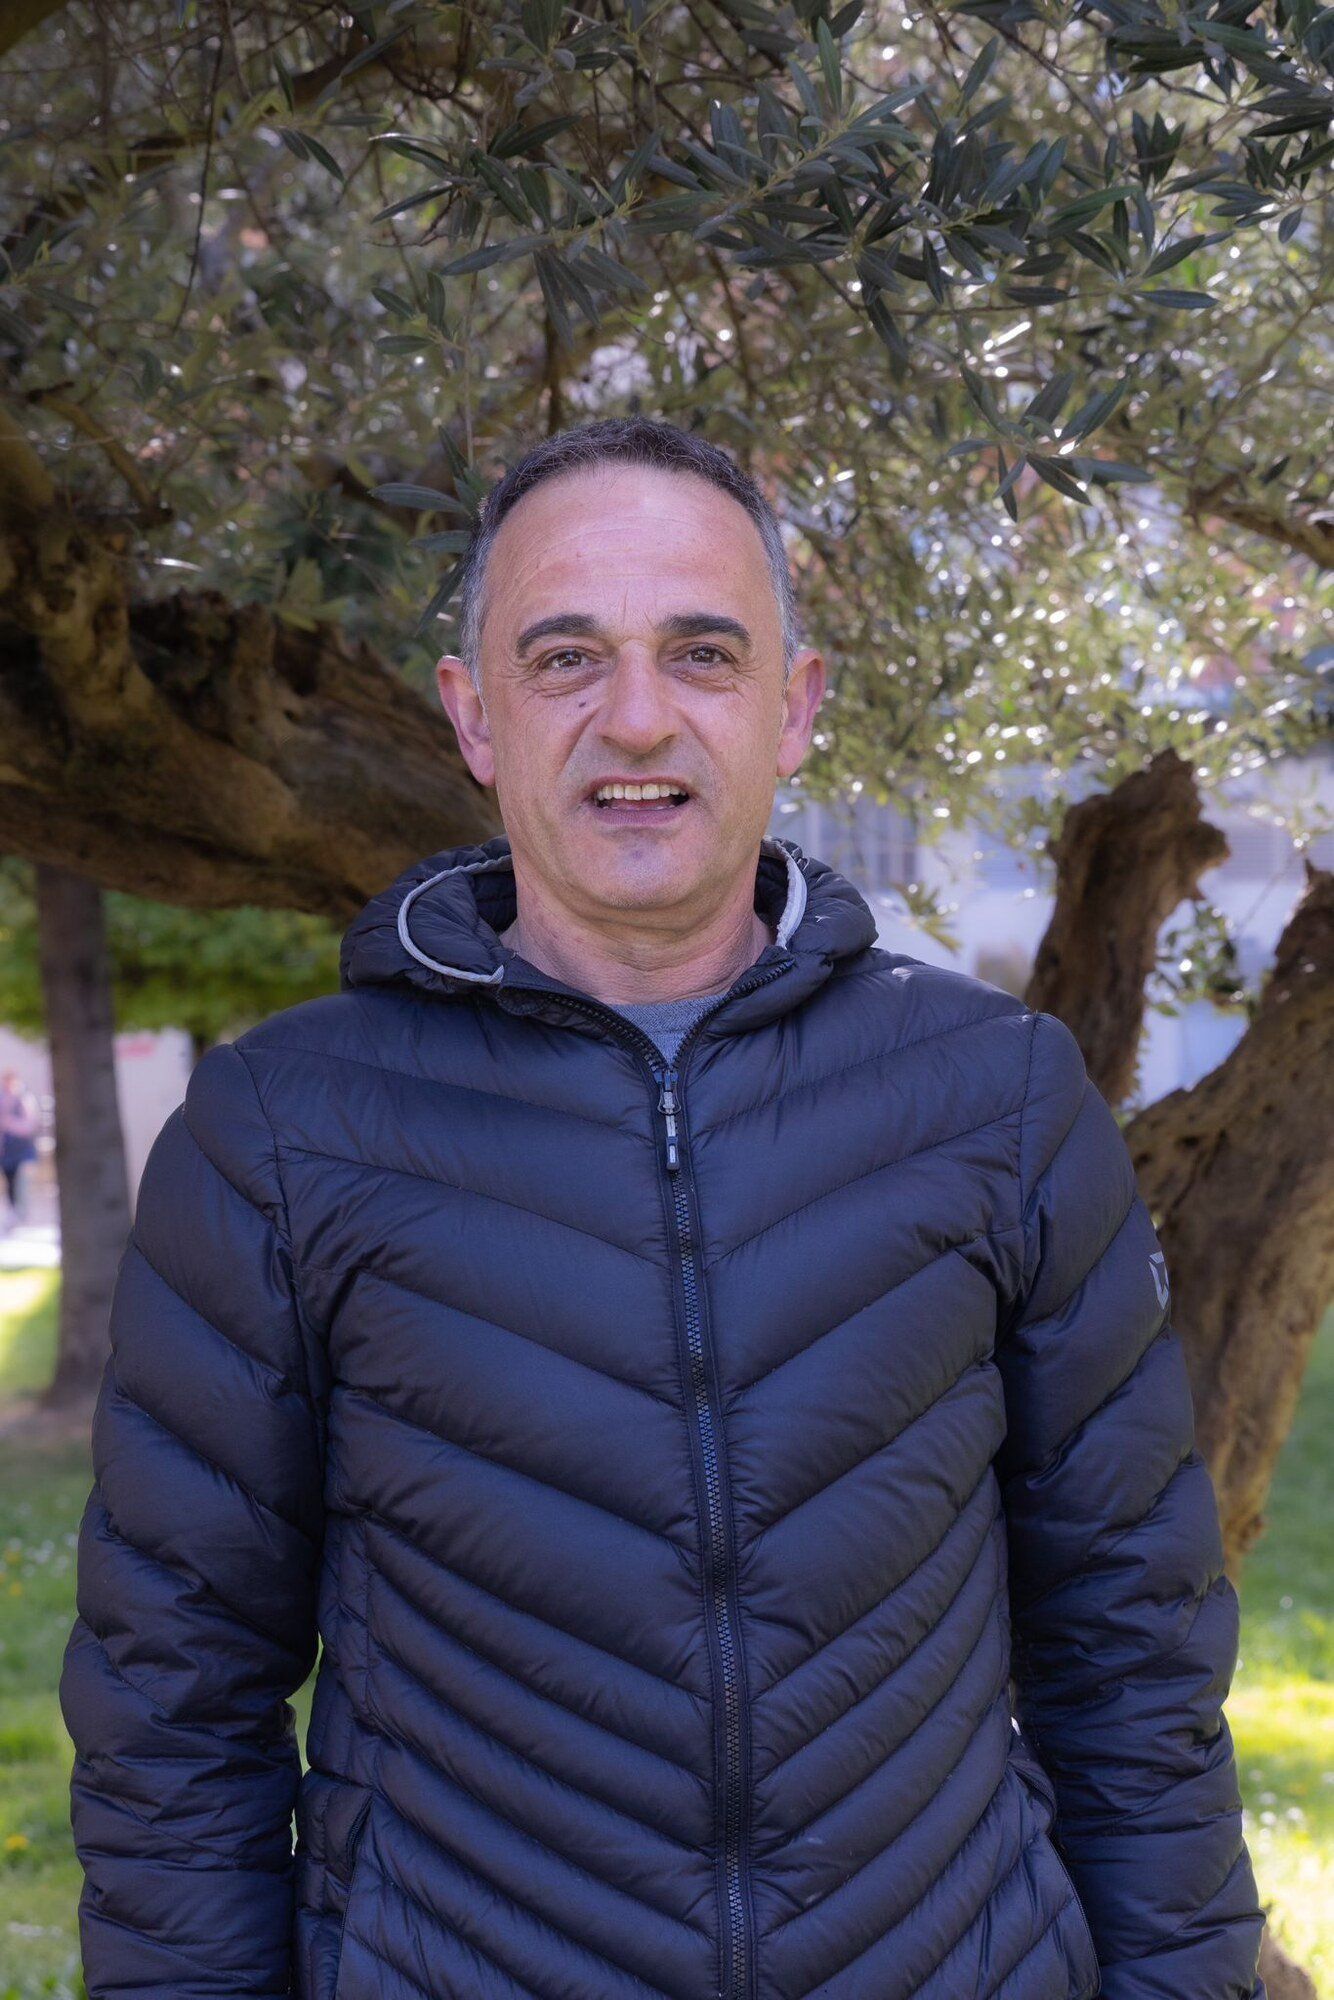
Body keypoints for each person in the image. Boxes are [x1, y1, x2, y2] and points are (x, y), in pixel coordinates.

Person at [58, 416, 1266, 2000]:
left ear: (796, 705)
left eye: (702, 653)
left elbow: (1131, 1651)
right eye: (565, 659)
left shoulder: (1001, 1099)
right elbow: (174, 1702)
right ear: (472, 715)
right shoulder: (283, 1131)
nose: (636, 718)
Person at [0, 1067, 40, 1227]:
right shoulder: (2, 1099)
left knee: (21, 1182)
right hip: (6, 1151)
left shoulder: (24, 1099)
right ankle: (14, 1212)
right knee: (9, 1180)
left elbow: (30, 1125)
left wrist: (10, 1124)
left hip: (22, 1150)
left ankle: (22, 1213)